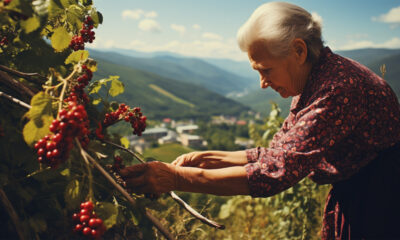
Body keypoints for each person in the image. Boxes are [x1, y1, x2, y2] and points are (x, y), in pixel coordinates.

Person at [120, 2, 400, 239]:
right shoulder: (315, 78)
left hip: (379, 198)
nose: (263, 83)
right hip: (364, 190)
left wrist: (176, 178)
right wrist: (210, 157)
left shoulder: (337, 90)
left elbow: (276, 172)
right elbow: (280, 152)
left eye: (266, 70)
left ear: (299, 51)